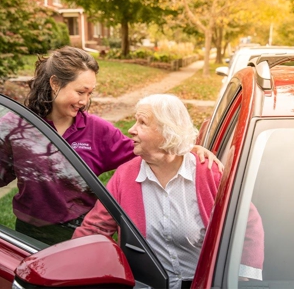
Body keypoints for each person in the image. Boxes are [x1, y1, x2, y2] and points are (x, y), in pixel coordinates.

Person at [0, 46, 222, 245]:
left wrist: (186, 149)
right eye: (80, 92)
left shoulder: (98, 130)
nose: (85, 101)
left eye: (89, 93)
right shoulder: (15, 126)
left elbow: (146, 150)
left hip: (84, 230)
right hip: (30, 233)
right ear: (55, 83)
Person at [73, 94, 263, 288]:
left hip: (203, 284)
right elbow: (95, 228)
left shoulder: (207, 173)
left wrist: (242, 275)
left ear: (167, 132)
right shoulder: (125, 176)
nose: (131, 129)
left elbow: (247, 221)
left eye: (142, 123)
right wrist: (71, 265)